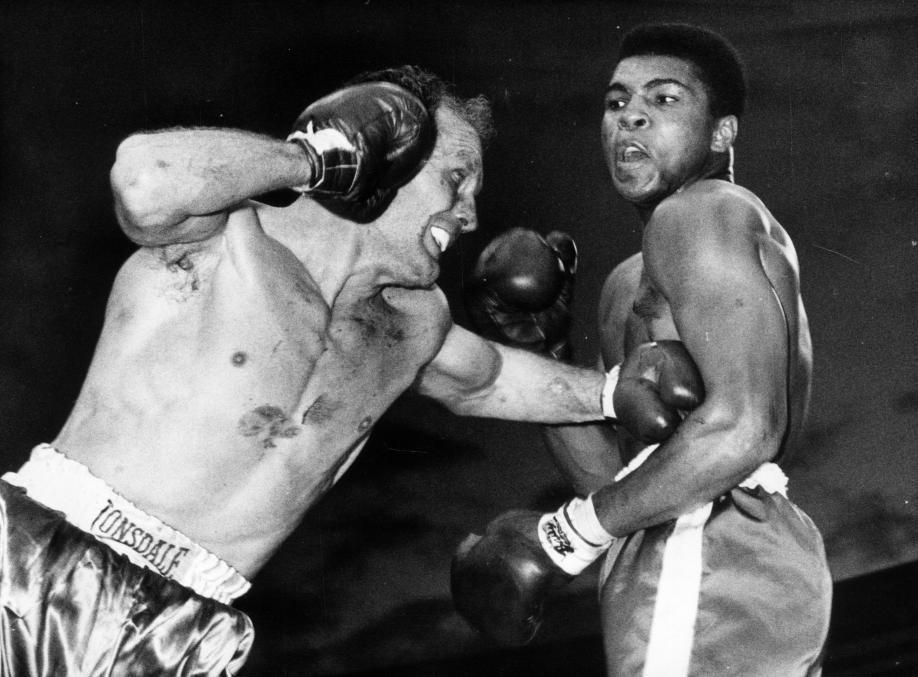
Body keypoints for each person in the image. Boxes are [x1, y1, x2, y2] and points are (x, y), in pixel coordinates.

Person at [0, 65, 669, 675]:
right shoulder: (223, 236)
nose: (469, 216)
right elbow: (145, 181)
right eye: (455, 179)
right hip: (39, 559)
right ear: (386, 160)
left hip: (188, 623)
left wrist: (619, 391)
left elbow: (489, 379)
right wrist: (312, 158)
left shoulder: (411, 323)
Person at [452, 24, 833, 676]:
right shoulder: (627, 283)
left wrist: (560, 540)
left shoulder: (703, 212)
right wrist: (545, 351)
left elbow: (745, 428)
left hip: (713, 550)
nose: (630, 115)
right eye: (616, 101)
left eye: (663, 99)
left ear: (722, 133)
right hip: (700, 556)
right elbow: (616, 486)